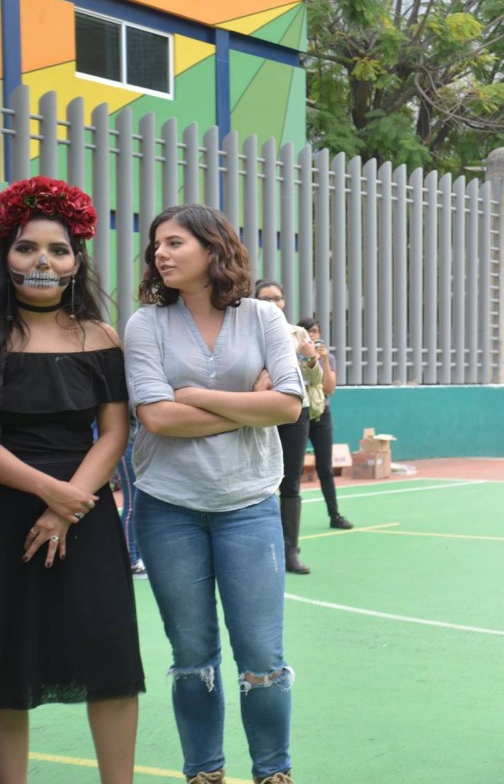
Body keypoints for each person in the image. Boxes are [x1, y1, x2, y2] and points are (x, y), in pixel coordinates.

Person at [123, 203, 304, 784]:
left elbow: (288, 404)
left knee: (261, 658)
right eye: (157, 245)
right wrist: (246, 409)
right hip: (167, 508)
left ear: (212, 248)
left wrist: (193, 394)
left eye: (175, 242)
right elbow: (155, 419)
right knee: (191, 658)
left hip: (249, 506)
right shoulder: (144, 324)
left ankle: (272, 772)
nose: (161, 254)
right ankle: (204, 773)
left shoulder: (262, 319)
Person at [0, 177, 144, 784]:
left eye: (57, 250)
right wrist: (45, 491)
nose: (42, 262)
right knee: (6, 672)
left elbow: (114, 433)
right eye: (26, 247)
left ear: (76, 260)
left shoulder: (101, 337)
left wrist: (66, 505)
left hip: (83, 517)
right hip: (9, 514)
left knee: (109, 660)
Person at [252, 280, 323, 573]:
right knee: (258, 482)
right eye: (265, 298)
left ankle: (290, 551)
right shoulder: (247, 330)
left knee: (290, 482)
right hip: (259, 411)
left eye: (277, 298)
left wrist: (309, 357)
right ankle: (259, 550)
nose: (272, 303)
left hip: (296, 412)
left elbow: (316, 380)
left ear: (284, 302)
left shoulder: (299, 333)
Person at [295, 316, 351, 530]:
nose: (313, 335)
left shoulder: (329, 358)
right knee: (293, 470)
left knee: (325, 467)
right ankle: (287, 521)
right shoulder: (291, 356)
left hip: (321, 415)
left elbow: (329, 388)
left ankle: (335, 515)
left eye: (316, 331)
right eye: (308, 331)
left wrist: (324, 360)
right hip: (298, 416)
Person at [114, 414, 144, 575]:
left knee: (140, 504)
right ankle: (129, 559)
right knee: (132, 505)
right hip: (129, 446)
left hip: (141, 448)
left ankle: (137, 557)